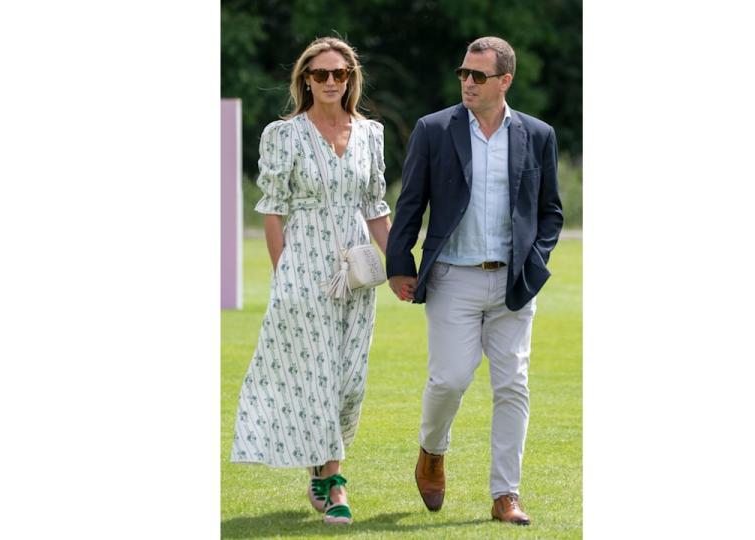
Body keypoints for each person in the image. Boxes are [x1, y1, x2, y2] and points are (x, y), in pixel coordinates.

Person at [385, 36, 564, 526]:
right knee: (449, 379)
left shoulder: (538, 134)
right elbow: (411, 201)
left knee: (513, 385)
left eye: (478, 75)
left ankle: (506, 493)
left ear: (504, 81)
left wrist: (535, 263)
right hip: (451, 279)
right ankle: (432, 451)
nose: (467, 81)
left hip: (513, 284)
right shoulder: (434, 129)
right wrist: (400, 263)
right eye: (463, 73)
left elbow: (550, 212)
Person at [230, 36, 392, 526]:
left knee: (348, 382)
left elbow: (377, 207)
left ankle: (321, 467)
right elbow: (272, 211)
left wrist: (403, 266)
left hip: (357, 272)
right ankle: (334, 481)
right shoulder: (283, 134)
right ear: (304, 79)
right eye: (319, 74)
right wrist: (284, 276)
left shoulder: (371, 133)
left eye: (338, 74)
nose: (329, 82)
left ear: (350, 79)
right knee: (316, 378)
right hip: (303, 269)